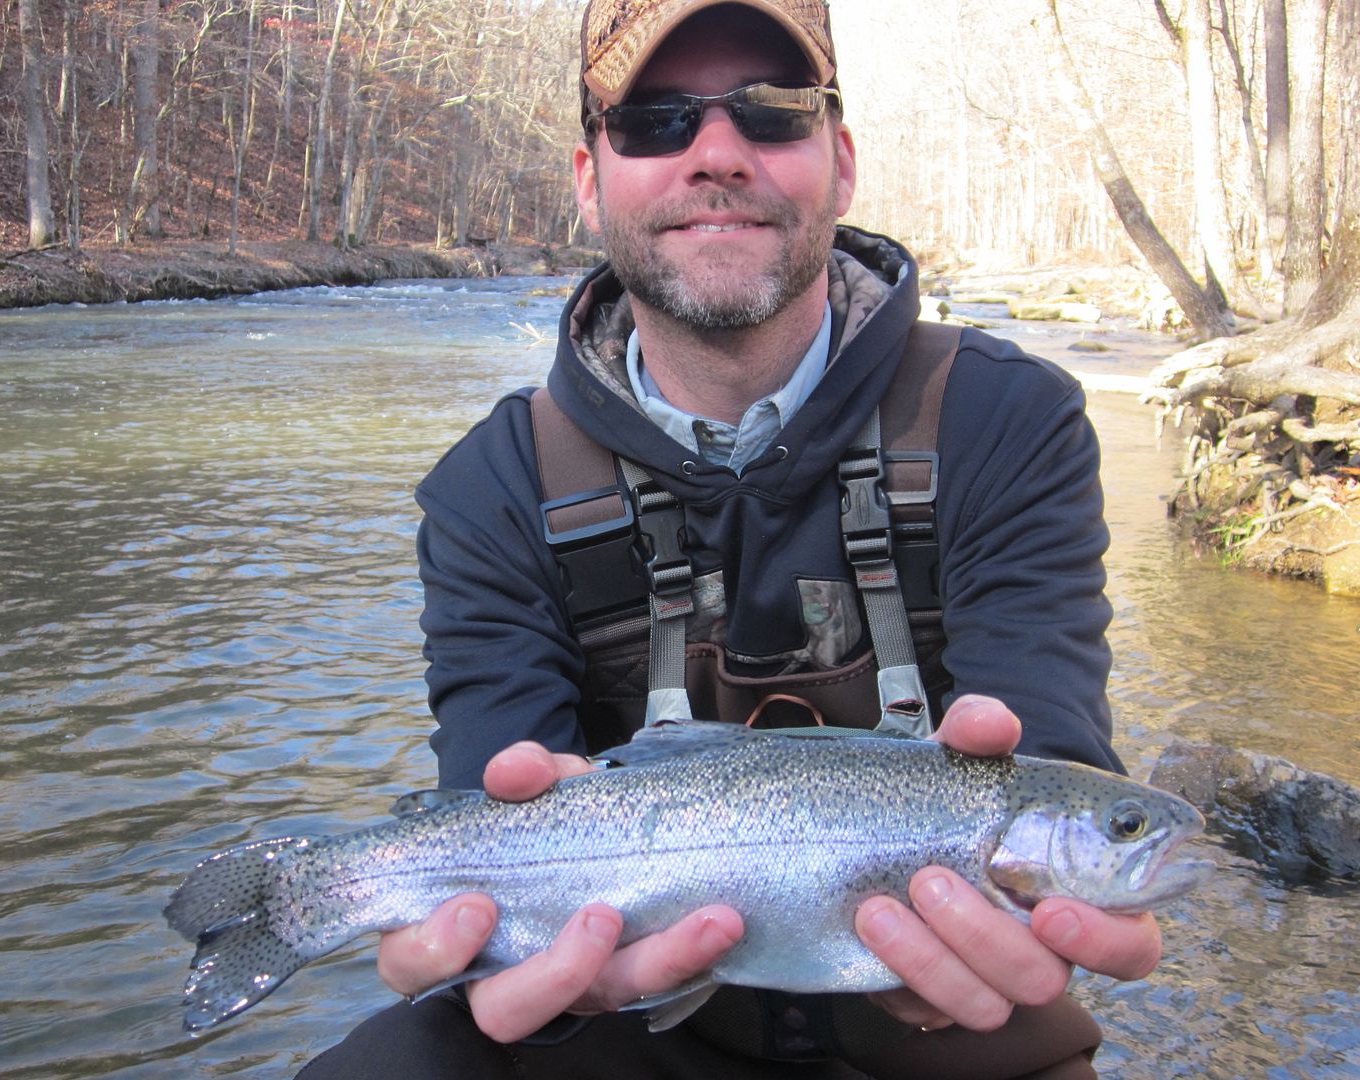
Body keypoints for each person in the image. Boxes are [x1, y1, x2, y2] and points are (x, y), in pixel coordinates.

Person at [298, 1, 1163, 1076]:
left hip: (951, 1021)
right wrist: (495, 960)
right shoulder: (493, 488)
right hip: (620, 1019)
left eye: (771, 111)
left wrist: (1028, 933)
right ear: (587, 178)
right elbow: (490, 805)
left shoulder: (1004, 418)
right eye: (656, 120)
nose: (717, 153)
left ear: (838, 163)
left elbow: (1056, 747)